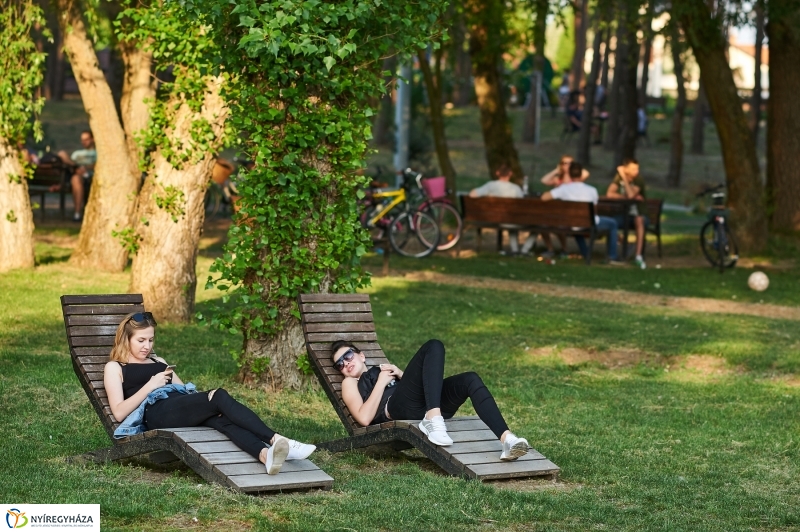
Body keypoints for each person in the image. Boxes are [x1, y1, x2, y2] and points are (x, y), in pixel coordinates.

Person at [104, 312, 316, 475]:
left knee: (221, 418)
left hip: (179, 407)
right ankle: (278, 439)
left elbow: (185, 391)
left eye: (150, 340)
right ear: (126, 339)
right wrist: (151, 385)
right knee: (219, 395)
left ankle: (265, 455)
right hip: (157, 413)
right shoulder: (115, 367)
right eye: (141, 340)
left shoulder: (159, 362)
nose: (147, 346)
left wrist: (199, 402)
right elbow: (120, 412)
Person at [331, 339, 531, 461]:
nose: (345, 363)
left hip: (421, 404)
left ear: (362, 356)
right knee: (432, 345)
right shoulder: (350, 383)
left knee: (469, 379)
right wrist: (381, 383)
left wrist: (401, 374)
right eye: (340, 364)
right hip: (396, 410)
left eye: (348, 356)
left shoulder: (381, 369)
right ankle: (433, 419)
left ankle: (508, 440)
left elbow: (422, 380)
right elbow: (364, 418)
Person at [541, 162, 622, 264]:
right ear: (581, 174)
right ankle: (612, 256)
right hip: (588, 222)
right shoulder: (592, 190)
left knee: (578, 226)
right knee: (612, 223)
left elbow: (544, 197)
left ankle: (586, 253)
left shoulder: (563, 189)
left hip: (571, 223)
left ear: (569, 174)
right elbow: (594, 211)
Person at [469, 164, 535, 256]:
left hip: (493, 219)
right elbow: (521, 206)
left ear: (497, 173)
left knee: (510, 222)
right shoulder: (515, 188)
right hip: (511, 220)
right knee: (534, 227)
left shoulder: (490, 185)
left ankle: (515, 250)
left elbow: (472, 195)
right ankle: (524, 250)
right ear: (510, 174)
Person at [539, 155, 590, 258]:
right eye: (564, 163)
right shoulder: (558, 179)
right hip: (557, 211)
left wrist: (573, 168)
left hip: (568, 214)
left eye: (570, 163)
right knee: (543, 223)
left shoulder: (575, 179)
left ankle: (564, 248)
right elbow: (543, 180)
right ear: (560, 165)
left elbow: (586, 173)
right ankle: (550, 249)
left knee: (559, 224)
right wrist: (556, 170)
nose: (567, 165)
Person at [606, 157, 648, 269]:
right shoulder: (618, 178)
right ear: (625, 169)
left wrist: (624, 178)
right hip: (624, 214)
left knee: (639, 220)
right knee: (611, 222)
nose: (636, 171)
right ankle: (620, 249)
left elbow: (630, 195)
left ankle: (638, 255)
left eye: (637, 168)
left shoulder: (638, 180)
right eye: (633, 169)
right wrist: (623, 196)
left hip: (639, 213)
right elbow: (610, 193)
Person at [51, 130, 96, 221]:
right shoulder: (77, 154)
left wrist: (86, 168)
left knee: (76, 178)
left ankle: (77, 212)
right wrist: (77, 168)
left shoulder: (98, 153)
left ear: (93, 139)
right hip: (76, 175)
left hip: (91, 177)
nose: (84, 142)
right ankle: (77, 213)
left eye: (86, 139)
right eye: (82, 140)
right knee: (63, 155)